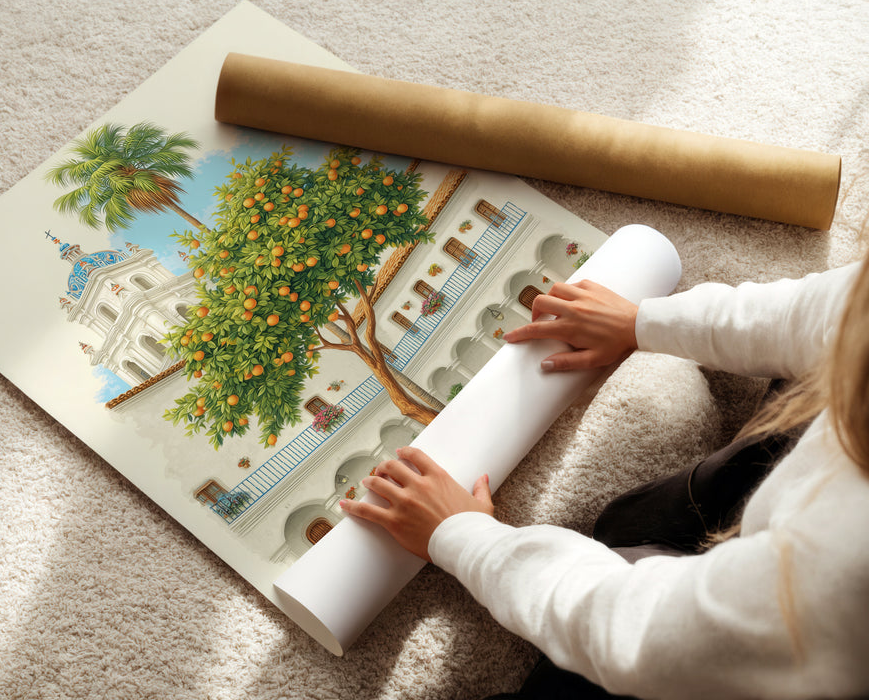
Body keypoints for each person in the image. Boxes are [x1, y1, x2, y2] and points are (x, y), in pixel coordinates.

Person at [339, 257, 869, 699]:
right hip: (793, 538)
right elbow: (829, 310)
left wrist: (463, 537)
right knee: (635, 522)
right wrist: (642, 322)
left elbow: (640, 632)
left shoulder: (842, 572)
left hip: (786, 650)